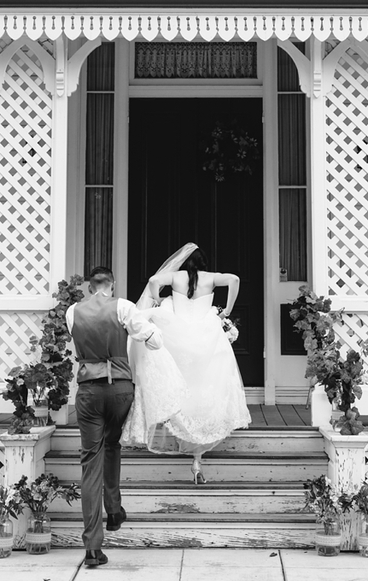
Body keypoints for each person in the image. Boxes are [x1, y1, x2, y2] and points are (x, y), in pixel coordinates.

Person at [121, 243, 251, 484]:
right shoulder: (210, 278)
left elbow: (152, 280)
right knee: (205, 382)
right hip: (205, 334)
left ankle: (183, 431)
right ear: (202, 263)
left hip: (177, 334)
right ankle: (197, 456)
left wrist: (159, 301)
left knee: (180, 380)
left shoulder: (177, 276)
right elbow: (234, 279)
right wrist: (226, 311)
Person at [66, 266, 164, 569]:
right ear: (113, 284)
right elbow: (154, 341)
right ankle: (114, 510)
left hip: (88, 392)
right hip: (120, 389)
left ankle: (93, 548)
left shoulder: (73, 311)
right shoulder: (123, 307)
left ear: (88, 287)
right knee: (112, 444)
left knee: (90, 464)